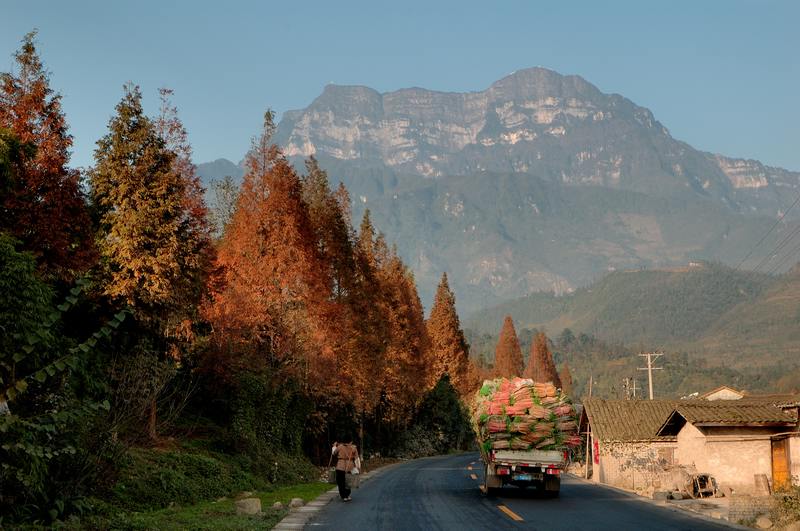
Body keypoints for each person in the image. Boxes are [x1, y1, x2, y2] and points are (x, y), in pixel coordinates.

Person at [332, 434, 360, 502]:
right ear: (351, 441)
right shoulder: (353, 448)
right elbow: (356, 459)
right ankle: (347, 495)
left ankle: (343, 496)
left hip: (340, 466)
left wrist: (334, 446)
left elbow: (334, 453)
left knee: (340, 482)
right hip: (350, 467)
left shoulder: (340, 447)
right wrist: (358, 467)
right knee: (348, 481)